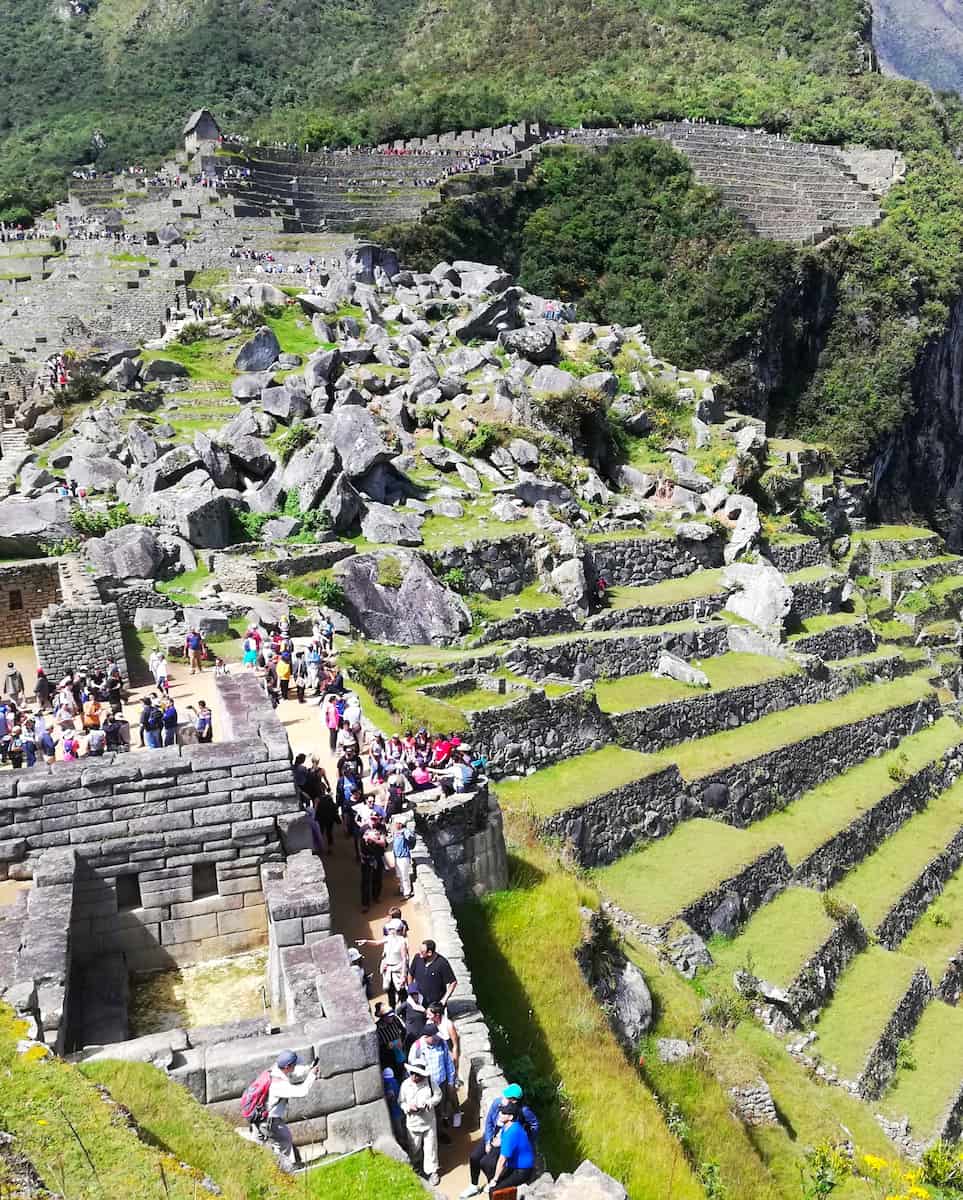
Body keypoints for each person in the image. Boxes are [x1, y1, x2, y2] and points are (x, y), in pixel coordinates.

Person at [262, 1050, 319, 1171]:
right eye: (294, 1064)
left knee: (276, 1144)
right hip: (270, 1121)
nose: (296, 1066)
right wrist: (312, 1075)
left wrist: (308, 1069)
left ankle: (279, 1169)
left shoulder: (275, 1069)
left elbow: (293, 1073)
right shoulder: (279, 1085)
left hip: (261, 1117)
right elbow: (302, 1091)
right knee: (284, 1141)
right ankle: (290, 1172)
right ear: (288, 1066)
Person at [409, 1022, 459, 1136]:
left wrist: (451, 1081)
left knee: (441, 1107)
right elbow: (411, 1069)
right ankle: (434, 1133)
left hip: (441, 1082)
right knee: (428, 1110)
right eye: (435, 1037)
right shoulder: (416, 1048)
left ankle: (440, 1128)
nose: (438, 1039)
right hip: (425, 1086)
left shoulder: (441, 1043)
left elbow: (448, 1063)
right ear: (426, 1037)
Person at [398, 1060, 441, 1186]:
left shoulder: (430, 1083)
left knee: (431, 1148)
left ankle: (432, 1172)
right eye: (412, 1074)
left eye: (417, 1075)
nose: (414, 1077)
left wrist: (429, 1103)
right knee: (414, 1148)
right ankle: (417, 1169)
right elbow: (400, 1102)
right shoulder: (405, 1085)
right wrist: (408, 1107)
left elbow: (438, 1095)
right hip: (413, 1124)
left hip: (429, 1123)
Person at [485, 1101, 536, 1193]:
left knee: (493, 1190)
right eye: (501, 1112)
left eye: (504, 1113)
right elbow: (503, 1141)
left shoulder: (512, 1132)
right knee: (488, 1165)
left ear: (511, 1117)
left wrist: (495, 1180)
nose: (500, 1114)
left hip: (522, 1170)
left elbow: (502, 1159)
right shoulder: (509, 1126)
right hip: (514, 1165)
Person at [409, 940, 456, 1009]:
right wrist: (411, 990)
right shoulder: (417, 958)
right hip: (419, 1002)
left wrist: (443, 1000)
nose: (420, 954)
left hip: (435, 1005)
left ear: (429, 953)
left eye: (422, 952)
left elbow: (453, 982)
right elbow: (410, 974)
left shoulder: (442, 963)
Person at [392, 817, 416, 899]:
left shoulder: (405, 831)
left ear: (400, 824)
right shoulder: (396, 832)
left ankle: (407, 892)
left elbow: (411, 838)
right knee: (399, 875)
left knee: (405, 875)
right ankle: (402, 889)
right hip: (397, 857)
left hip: (404, 857)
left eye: (396, 823)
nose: (395, 825)